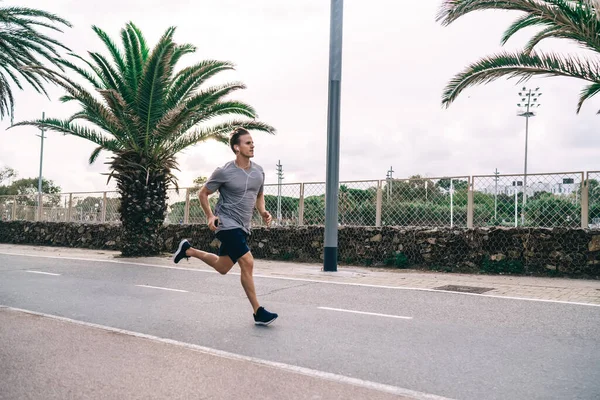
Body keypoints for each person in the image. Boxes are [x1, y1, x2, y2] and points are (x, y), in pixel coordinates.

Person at [172, 127, 278, 326]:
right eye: (248, 143)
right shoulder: (224, 171)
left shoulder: (259, 172)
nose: (252, 145)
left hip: (243, 226)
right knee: (247, 261)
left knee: (223, 267)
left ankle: (189, 250)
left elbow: (259, 195)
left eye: (252, 142)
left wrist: (263, 211)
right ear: (237, 147)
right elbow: (203, 194)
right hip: (226, 224)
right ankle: (258, 311)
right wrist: (210, 216)